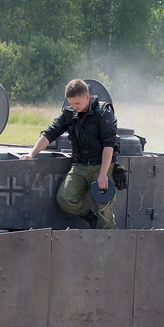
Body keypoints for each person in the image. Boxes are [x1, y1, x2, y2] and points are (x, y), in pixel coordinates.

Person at [21, 79, 117, 229]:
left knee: (104, 207)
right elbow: (50, 133)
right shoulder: (69, 113)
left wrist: (103, 174)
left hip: (100, 165)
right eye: (71, 103)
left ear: (87, 97)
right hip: (80, 165)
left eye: (77, 103)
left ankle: (106, 237)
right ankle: (91, 218)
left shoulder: (104, 112)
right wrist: (31, 154)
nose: (74, 107)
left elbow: (108, 144)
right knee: (65, 198)